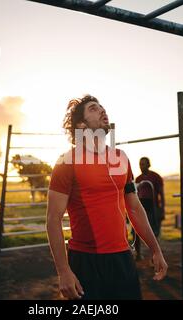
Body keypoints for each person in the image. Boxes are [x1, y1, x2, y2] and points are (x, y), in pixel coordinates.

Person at [46, 95, 168, 300]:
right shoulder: (67, 162)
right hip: (85, 261)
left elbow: (135, 208)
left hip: (122, 259)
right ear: (81, 125)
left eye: (102, 107)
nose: (102, 110)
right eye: (94, 108)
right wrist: (63, 271)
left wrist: (156, 249)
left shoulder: (121, 158)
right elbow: (53, 218)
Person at [134, 157, 166, 260]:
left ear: (148, 165)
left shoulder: (156, 177)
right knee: (137, 230)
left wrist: (162, 209)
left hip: (152, 205)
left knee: (153, 232)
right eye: (140, 164)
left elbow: (161, 194)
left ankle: (155, 256)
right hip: (141, 205)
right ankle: (138, 254)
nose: (141, 166)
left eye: (143, 164)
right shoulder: (138, 179)